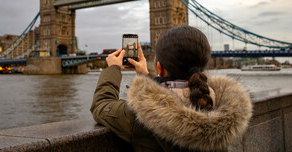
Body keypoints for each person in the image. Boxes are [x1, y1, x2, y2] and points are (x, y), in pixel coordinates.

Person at [90, 25, 252, 151]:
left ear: (159, 68)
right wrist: (145, 77)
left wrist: (113, 69)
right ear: (203, 65)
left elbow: (101, 105)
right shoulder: (219, 107)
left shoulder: (138, 117)